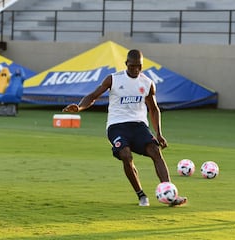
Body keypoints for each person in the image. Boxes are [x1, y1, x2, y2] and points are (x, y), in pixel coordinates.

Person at [63, 49, 187, 207]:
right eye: (132, 66)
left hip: (138, 125)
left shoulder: (147, 83)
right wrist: (80, 108)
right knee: (126, 155)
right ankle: (141, 195)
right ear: (126, 64)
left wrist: (159, 133)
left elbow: (154, 109)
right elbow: (93, 96)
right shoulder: (113, 79)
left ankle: (170, 193)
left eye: (139, 66)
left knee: (156, 151)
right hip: (117, 126)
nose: (135, 69)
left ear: (142, 65)